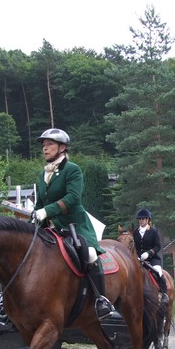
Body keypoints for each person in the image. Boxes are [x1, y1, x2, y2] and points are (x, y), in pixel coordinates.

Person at [33, 128, 115, 319]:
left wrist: (47, 211)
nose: (45, 148)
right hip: (49, 228)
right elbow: (40, 203)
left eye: (50, 144)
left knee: (90, 254)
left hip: (74, 226)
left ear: (62, 147)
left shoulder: (72, 170)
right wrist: (35, 214)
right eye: (44, 145)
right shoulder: (42, 174)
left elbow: (72, 198)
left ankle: (101, 300)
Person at [132, 208, 169, 304]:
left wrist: (149, 253)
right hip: (139, 258)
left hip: (152, 258)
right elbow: (134, 246)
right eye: (139, 219)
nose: (141, 221)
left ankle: (164, 293)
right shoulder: (135, 232)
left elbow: (158, 246)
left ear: (148, 220)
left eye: (143, 219)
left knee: (158, 271)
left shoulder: (153, 231)